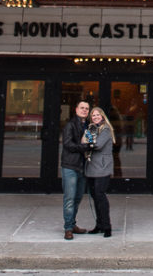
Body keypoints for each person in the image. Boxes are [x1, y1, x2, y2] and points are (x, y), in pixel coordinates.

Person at [83, 105, 116, 237]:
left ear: (102, 116)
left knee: (100, 196)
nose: (95, 117)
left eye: (98, 115)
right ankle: (99, 225)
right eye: (93, 115)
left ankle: (107, 226)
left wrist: (86, 143)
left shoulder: (106, 129)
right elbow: (85, 141)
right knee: (95, 197)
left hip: (102, 168)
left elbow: (97, 145)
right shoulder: (92, 128)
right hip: (91, 167)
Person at [60, 100, 91, 240]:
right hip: (70, 166)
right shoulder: (70, 125)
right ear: (76, 109)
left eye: (87, 108)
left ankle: (72, 224)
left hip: (82, 167)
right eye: (82, 108)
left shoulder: (88, 126)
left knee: (77, 197)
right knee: (70, 198)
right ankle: (68, 228)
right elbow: (67, 144)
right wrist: (84, 147)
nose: (84, 110)